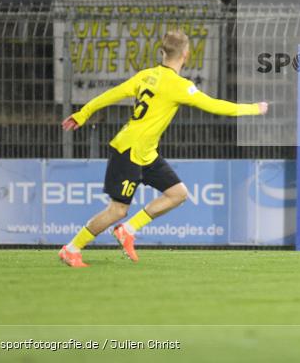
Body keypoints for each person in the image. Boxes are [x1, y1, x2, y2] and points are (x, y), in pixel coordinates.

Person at [58, 30, 268, 267]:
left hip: (145, 152)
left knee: (177, 194)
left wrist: (82, 114)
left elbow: (110, 95)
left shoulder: (146, 75)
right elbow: (216, 106)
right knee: (117, 210)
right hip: (130, 150)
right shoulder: (180, 86)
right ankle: (72, 248)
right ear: (186, 55)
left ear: (163, 52)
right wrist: (254, 109)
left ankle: (127, 230)